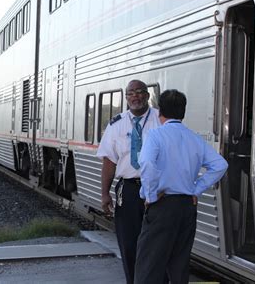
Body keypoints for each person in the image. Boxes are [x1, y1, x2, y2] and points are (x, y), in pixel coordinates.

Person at [134, 89, 228, 284]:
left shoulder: (156, 135)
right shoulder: (194, 138)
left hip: (162, 205)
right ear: (183, 113)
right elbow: (220, 165)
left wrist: (150, 196)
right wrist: (196, 189)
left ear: (159, 111)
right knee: (179, 265)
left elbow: (147, 164)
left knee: (149, 265)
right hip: (187, 208)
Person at [96, 79, 160, 284]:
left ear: (147, 95)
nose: (136, 96)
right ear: (126, 97)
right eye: (131, 93)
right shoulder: (116, 123)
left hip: (158, 190)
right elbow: (109, 161)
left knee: (158, 244)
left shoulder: (161, 119)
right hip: (129, 191)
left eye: (140, 92)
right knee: (129, 243)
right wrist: (105, 194)